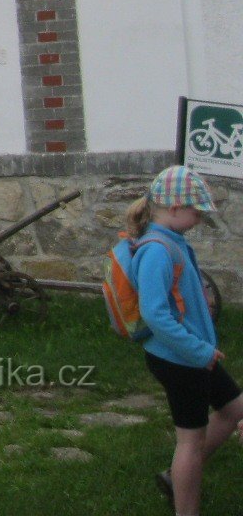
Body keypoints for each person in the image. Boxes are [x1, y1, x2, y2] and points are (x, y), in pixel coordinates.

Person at [130, 164, 243, 516]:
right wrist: (199, 350)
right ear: (175, 208)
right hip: (181, 359)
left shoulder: (172, 242)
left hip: (196, 356)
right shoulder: (157, 250)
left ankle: (174, 477)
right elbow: (155, 314)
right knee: (190, 442)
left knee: (235, 410)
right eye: (196, 213)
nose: (199, 221)